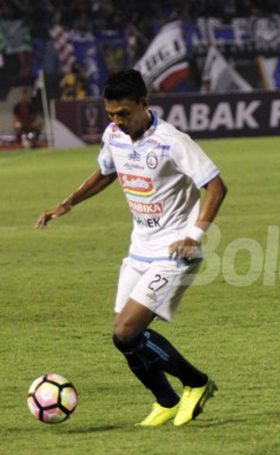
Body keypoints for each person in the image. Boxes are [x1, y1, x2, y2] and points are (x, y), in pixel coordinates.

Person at [37, 69, 227, 427]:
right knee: (123, 339)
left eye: (124, 113)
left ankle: (196, 383)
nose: (117, 121)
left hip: (175, 251)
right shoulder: (114, 135)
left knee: (127, 331)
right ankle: (166, 401)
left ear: (144, 103)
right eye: (110, 114)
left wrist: (195, 235)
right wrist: (68, 202)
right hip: (139, 250)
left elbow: (216, 186)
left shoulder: (172, 140)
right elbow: (107, 171)